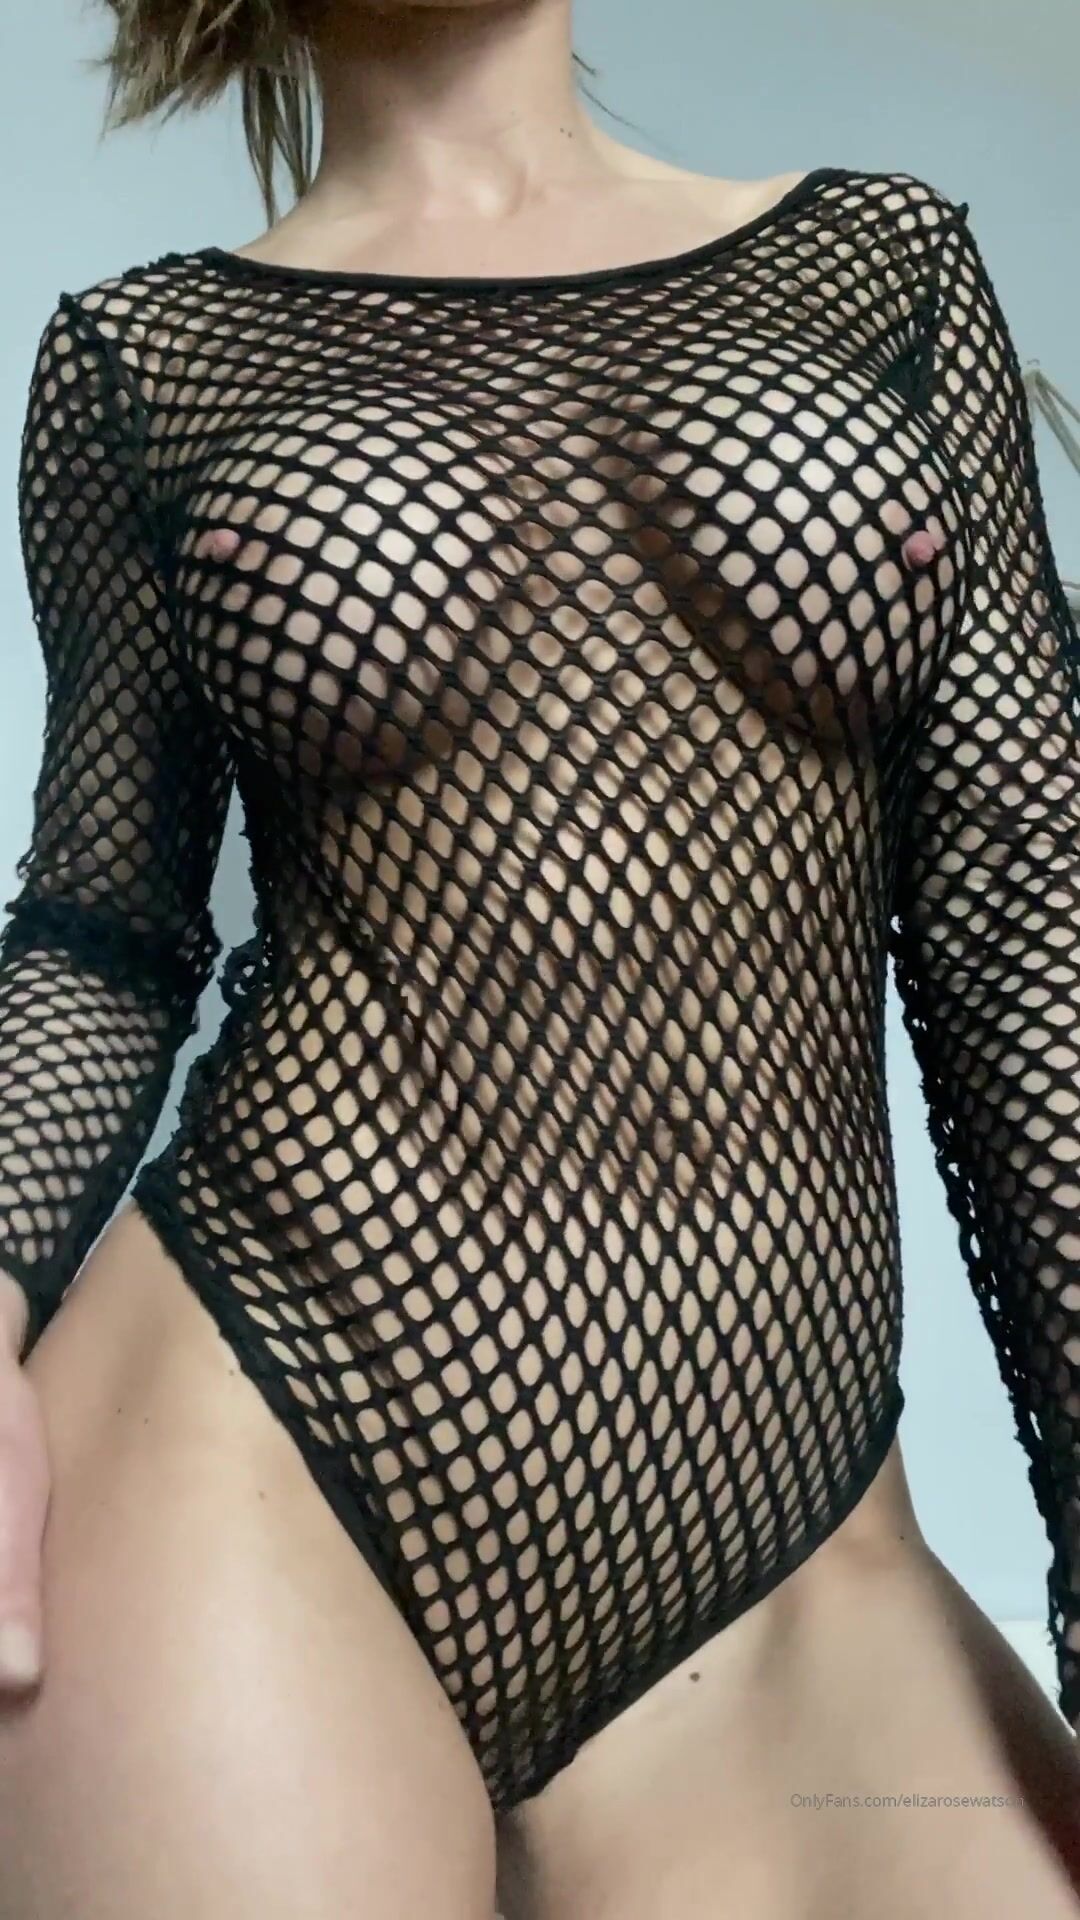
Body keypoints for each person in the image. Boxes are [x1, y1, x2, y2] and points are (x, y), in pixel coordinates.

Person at [1, 1, 1080, 1915]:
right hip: (262, 1432)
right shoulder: (141, 361)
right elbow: (105, 929)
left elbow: (1026, 912)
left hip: (790, 1536)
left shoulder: (883, 265)